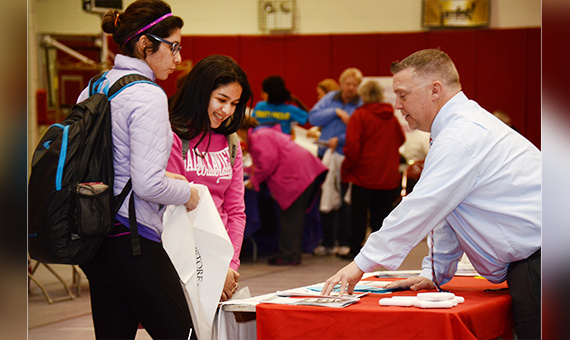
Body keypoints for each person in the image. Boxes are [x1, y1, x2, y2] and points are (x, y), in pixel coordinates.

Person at [322, 49, 541, 340]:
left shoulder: (461, 135)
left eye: (403, 95)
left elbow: (422, 207)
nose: (397, 105)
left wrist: (359, 264)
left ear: (435, 90)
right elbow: (449, 211)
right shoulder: (459, 128)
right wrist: (434, 273)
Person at [77, 1, 200, 339]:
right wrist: (187, 193)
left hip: (94, 236)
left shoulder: (95, 85)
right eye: (173, 47)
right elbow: (147, 185)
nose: (177, 58)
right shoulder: (147, 95)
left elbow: (113, 164)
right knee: (182, 332)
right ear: (146, 44)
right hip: (131, 238)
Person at [167, 54, 253, 301]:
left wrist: (230, 264)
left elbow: (235, 211)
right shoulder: (173, 136)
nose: (227, 111)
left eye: (235, 103)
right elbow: (172, 212)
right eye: (221, 100)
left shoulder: (231, 142)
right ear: (200, 93)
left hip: (221, 259)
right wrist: (209, 266)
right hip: (180, 258)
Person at [239, 116, 328, 266]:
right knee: (294, 217)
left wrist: (253, 181)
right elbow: (263, 162)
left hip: (295, 176)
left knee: (290, 218)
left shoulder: (258, 137)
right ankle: (291, 253)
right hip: (303, 171)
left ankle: (289, 255)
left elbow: (267, 163)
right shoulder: (263, 133)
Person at [341, 80, 405, 260]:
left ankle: (356, 250)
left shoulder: (359, 116)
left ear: (363, 96)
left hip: (364, 174)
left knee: (358, 215)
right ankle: (378, 253)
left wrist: (346, 169)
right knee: (381, 218)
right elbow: (400, 140)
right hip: (388, 175)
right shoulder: (391, 117)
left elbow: (352, 147)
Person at [308, 67, 363, 257]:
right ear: (341, 84)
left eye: (354, 85)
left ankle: (344, 241)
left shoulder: (360, 104)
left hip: (346, 156)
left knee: (345, 201)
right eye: (347, 84)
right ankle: (328, 242)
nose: (350, 88)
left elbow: (358, 130)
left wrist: (339, 139)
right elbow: (313, 117)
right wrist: (336, 111)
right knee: (326, 198)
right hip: (324, 154)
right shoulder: (330, 98)